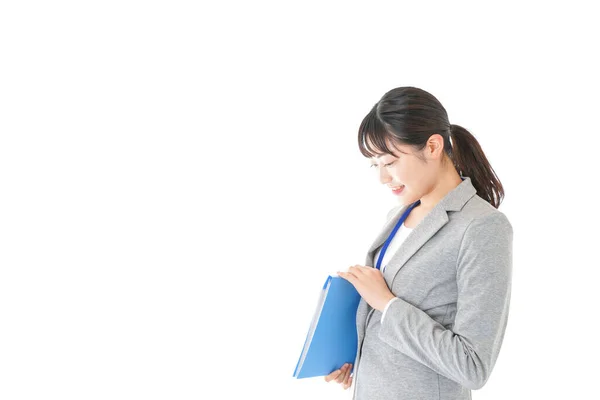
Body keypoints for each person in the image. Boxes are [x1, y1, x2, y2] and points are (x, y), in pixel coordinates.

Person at [324, 86, 513, 400]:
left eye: (390, 162)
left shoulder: (482, 226)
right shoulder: (396, 216)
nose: (383, 178)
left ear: (433, 146)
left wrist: (386, 302)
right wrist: (358, 356)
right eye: (376, 165)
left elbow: (473, 365)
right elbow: (394, 330)